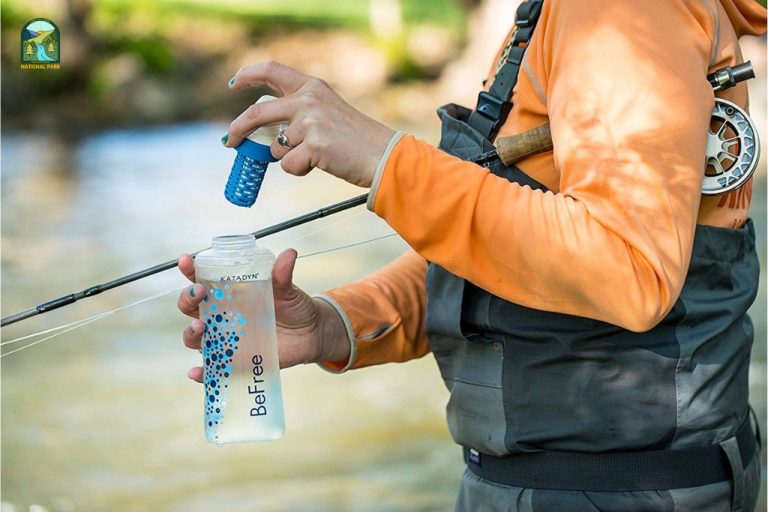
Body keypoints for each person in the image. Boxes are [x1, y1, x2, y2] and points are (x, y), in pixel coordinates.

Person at [178, 0, 767, 509]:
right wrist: (337, 325)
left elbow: (626, 268)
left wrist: (387, 160)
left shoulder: (617, 12)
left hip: (618, 488)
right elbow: (515, 252)